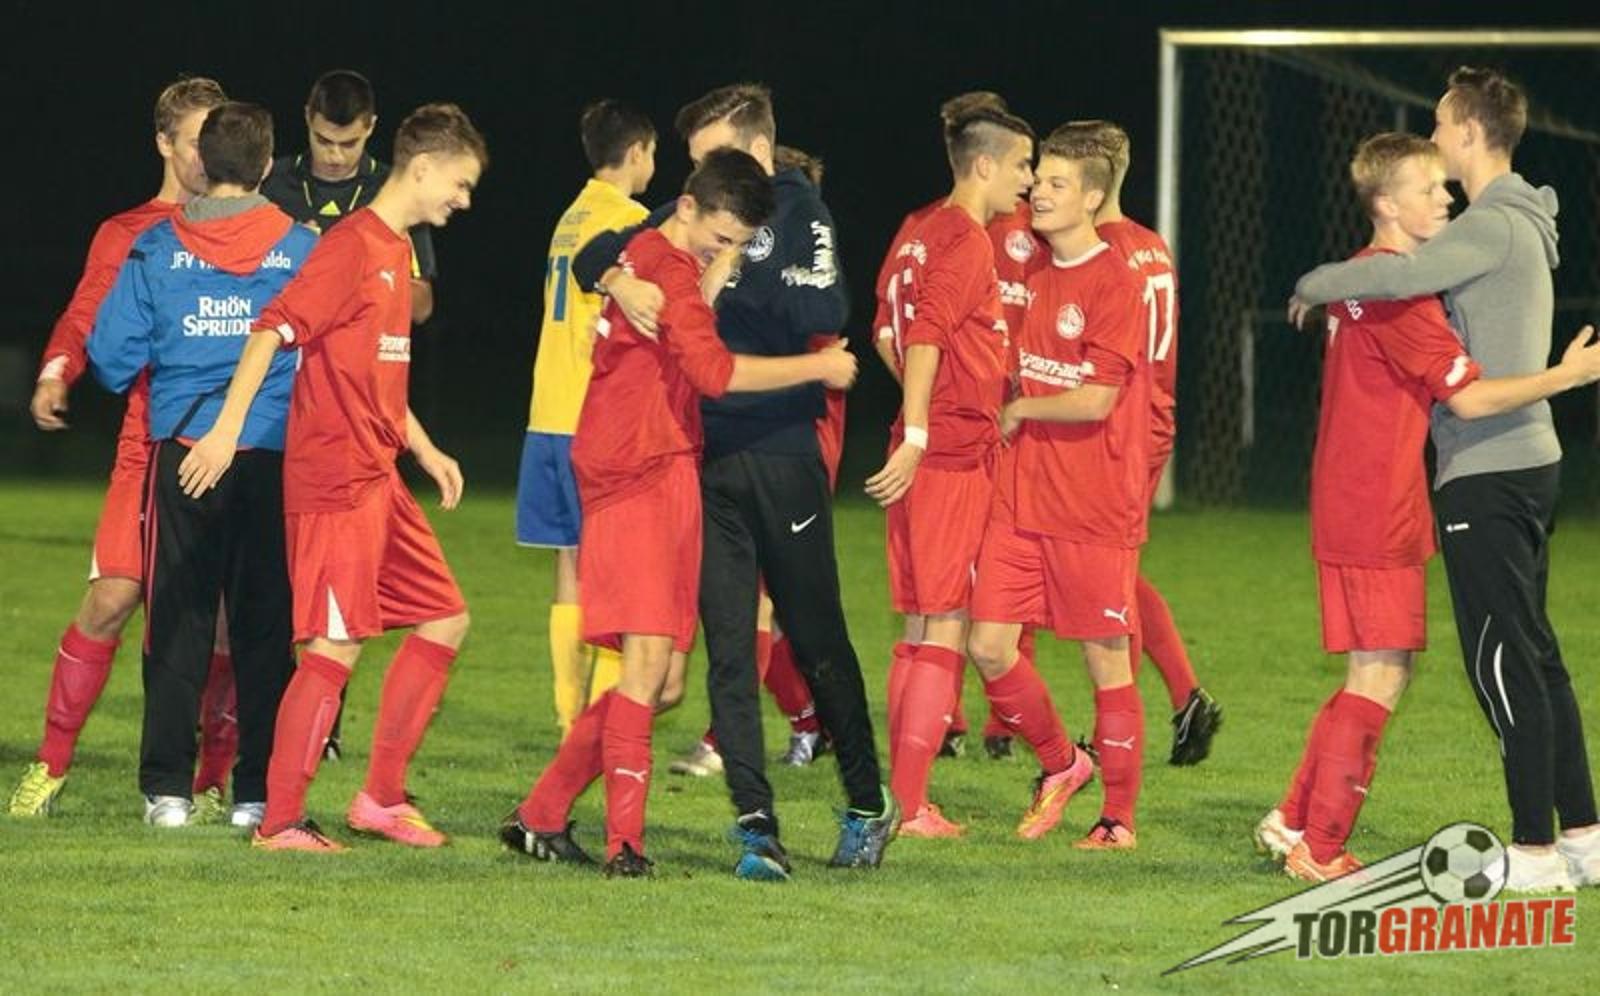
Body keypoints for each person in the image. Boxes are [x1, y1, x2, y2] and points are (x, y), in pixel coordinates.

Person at [502, 147, 862, 878]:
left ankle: (541, 813)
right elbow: (715, 373)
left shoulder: (647, 252)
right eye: (719, 238)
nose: (721, 251)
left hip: (657, 466)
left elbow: (615, 268)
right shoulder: (665, 272)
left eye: (735, 244)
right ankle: (625, 848)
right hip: (639, 470)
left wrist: (689, 271)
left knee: (664, 682)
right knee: (645, 671)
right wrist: (819, 368)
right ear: (688, 206)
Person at [1290, 68, 1600, 891]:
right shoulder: (1519, 218)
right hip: (1520, 464)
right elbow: (1396, 275)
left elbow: (1394, 278)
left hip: (1489, 469)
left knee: (1501, 664)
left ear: (1467, 130)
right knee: (1535, 656)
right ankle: (1582, 835)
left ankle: (1534, 850)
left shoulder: (1486, 225)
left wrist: (1314, 283)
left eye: (1438, 126)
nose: (1434, 146)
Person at [180, 103, 489, 853]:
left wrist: (425, 449)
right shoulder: (351, 246)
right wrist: (226, 431)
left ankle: (380, 798)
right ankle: (280, 821)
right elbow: (270, 331)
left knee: (445, 617)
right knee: (334, 646)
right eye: (460, 183)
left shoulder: (395, 250)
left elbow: (374, 368)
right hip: (334, 481)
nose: (464, 199)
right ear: (423, 168)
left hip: (379, 477)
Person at [8, 77, 233, 818]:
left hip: (232, 443)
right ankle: (50, 765)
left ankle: (211, 783)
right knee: (112, 597)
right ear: (164, 143)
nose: (208, 156)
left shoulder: (249, 227)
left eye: (217, 140)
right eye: (195, 141)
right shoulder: (129, 231)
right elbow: (84, 314)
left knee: (223, 618)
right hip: (148, 444)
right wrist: (56, 371)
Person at [88, 102, 313, 829]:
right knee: (264, 625)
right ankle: (256, 796)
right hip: (271, 451)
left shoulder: (155, 246)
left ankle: (168, 794)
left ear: (203, 164)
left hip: (184, 450)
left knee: (178, 621)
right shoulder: (303, 246)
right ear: (267, 165)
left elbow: (111, 358)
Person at [966, 126, 1148, 850]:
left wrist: (1022, 409)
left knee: (1106, 659)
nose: (1038, 192)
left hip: (1093, 505)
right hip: (1020, 498)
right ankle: (1062, 762)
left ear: (1093, 197)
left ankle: (1117, 820)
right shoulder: (1034, 275)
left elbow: (1098, 399)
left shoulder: (1117, 283)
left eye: (1056, 184)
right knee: (988, 645)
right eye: (1038, 179)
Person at [866, 96, 1034, 838]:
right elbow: (927, 335)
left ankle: (903, 797)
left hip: (923, 449)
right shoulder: (966, 239)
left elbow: (887, 334)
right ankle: (910, 806)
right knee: (947, 624)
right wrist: (924, 428)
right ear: (985, 165)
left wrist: (915, 418)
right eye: (1023, 165)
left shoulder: (919, 230)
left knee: (919, 622)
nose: (1028, 180)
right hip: (949, 455)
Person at [1057, 119, 1224, 766]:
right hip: (1152, 417)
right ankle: (1185, 700)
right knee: (1119, 575)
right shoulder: (1151, 245)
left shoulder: (1099, 252)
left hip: (1115, 428)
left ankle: (1110, 738)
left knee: (1107, 584)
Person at [519, 99, 655, 737]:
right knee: (612, 570)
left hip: (547, 408)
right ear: (638, 152)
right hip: (592, 413)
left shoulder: (569, 216)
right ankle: (600, 720)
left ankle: (566, 713)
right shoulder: (628, 220)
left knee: (570, 564)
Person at [262, 69, 437, 325]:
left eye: (349, 144)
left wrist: (351, 274)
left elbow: (422, 307)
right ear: (307, 117)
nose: (335, 156)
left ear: (371, 126)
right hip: (283, 346)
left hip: (363, 347)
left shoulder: (397, 190)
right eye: (323, 141)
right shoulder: (269, 181)